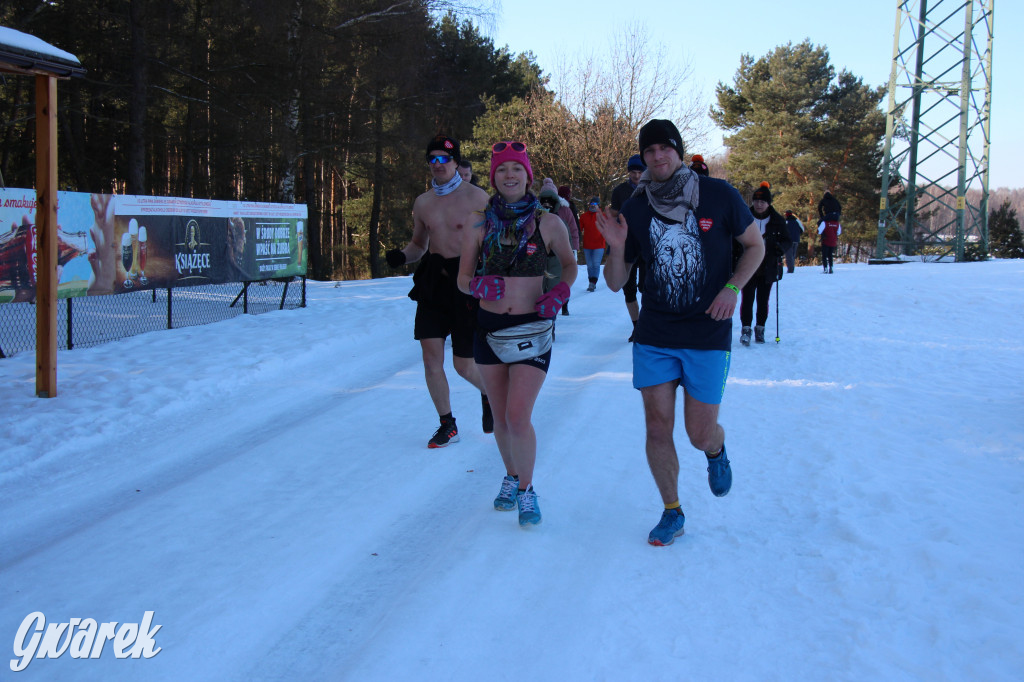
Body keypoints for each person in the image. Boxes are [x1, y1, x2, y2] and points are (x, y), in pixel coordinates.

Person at [596, 119, 764, 546]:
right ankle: (672, 511)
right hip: (656, 333)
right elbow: (616, 282)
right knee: (656, 427)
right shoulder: (635, 208)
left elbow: (755, 246)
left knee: (698, 432)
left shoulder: (718, 195)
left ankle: (715, 449)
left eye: (664, 149)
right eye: (649, 151)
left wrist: (732, 288)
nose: (657, 157)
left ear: (678, 151)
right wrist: (616, 248)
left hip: (708, 333)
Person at [458, 141, 578, 527]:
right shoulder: (478, 224)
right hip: (489, 329)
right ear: (493, 176)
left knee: (517, 414)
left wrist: (559, 291)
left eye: (517, 169)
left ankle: (527, 490)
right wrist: (477, 287)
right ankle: (511, 476)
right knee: (501, 417)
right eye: (502, 169)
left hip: (533, 327)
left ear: (528, 176)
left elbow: (569, 266)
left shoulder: (549, 222)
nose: (510, 175)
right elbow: (462, 278)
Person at [385, 135, 493, 448]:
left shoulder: (477, 198)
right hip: (433, 283)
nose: (438, 164)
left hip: (465, 283)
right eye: (432, 159)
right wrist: (402, 256)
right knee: (431, 358)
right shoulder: (423, 203)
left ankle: (489, 392)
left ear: (456, 162)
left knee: (463, 366)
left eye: (444, 159)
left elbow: (493, 243)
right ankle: (448, 424)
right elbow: (419, 244)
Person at [738, 182, 792, 346]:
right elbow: (735, 237)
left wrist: (780, 249)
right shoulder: (745, 216)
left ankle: (760, 329)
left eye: (762, 202)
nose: (759, 204)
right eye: (756, 201)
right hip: (748, 265)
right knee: (747, 299)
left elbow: (787, 240)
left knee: (763, 300)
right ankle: (746, 329)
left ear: (769, 203)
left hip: (767, 266)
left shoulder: (777, 220)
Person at [611, 154, 648, 341]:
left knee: (647, 286)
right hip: (627, 244)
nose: (636, 175)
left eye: (640, 171)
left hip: (648, 244)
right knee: (628, 287)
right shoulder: (620, 191)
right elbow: (613, 214)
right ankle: (637, 326)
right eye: (633, 172)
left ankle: (648, 323)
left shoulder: (653, 189)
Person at [538, 179, 576, 315]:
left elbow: (571, 231)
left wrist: (573, 248)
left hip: (556, 258)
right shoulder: (535, 219)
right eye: (544, 200)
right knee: (541, 288)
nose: (547, 204)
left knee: (554, 286)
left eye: (551, 200)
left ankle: (552, 315)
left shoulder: (563, 216)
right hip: (541, 258)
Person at [578, 197, 604, 291]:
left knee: (596, 264)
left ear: (598, 205)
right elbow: (579, 229)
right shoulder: (584, 216)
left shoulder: (603, 216)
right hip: (587, 245)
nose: (592, 206)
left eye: (595, 205)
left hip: (599, 245)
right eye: (591, 205)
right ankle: (590, 281)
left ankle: (593, 283)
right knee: (589, 265)